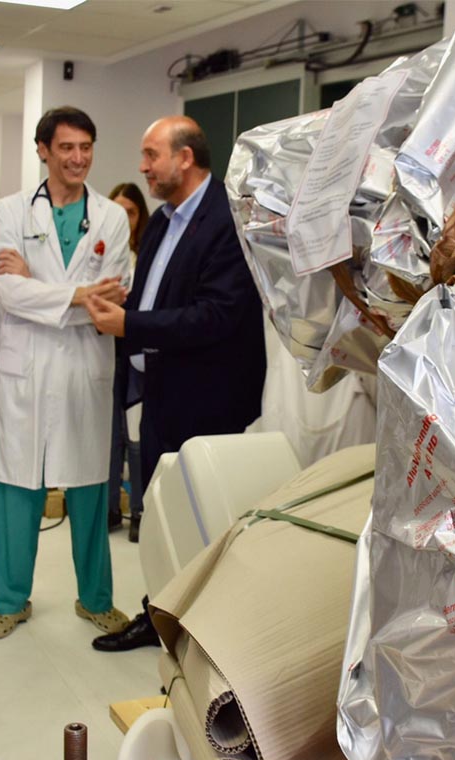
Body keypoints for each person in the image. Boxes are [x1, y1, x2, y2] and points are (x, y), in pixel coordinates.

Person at [85, 116, 267, 652]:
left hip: (209, 396)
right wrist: (126, 306)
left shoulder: (225, 220)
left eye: (150, 155)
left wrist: (130, 325)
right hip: (163, 389)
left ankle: (205, 632)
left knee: (203, 518)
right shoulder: (164, 221)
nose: (142, 167)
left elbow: (216, 315)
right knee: (159, 514)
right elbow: (163, 297)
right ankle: (160, 614)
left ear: (185, 158)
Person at [0, 106, 132, 640]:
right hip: (26, 368)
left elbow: (113, 291)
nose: (78, 158)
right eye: (66, 147)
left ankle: (95, 599)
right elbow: (7, 290)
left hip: (84, 369)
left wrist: (44, 287)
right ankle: (8, 600)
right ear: (43, 150)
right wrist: (76, 295)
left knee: (91, 489)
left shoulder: (111, 217)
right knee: (17, 486)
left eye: (86, 147)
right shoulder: (11, 212)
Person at [105, 182, 149, 536]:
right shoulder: (102, 254)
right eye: (117, 212)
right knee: (108, 436)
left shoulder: (148, 253)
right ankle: (107, 511)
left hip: (137, 353)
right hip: (106, 351)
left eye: (131, 213)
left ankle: (139, 511)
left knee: (135, 434)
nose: (124, 220)